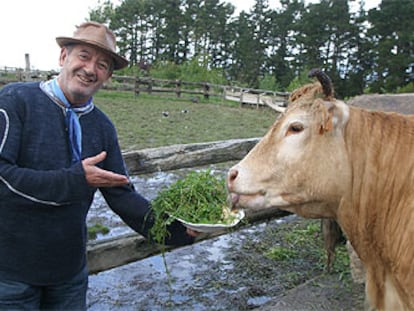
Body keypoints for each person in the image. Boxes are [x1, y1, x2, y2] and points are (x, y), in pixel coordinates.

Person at [0, 21, 197, 310]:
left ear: (108, 77)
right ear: (63, 57)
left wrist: (175, 230)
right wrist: (76, 180)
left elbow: (121, 193)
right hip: (10, 274)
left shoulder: (101, 127)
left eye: (102, 65)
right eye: (83, 56)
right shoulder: (16, 100)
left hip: (69, 275)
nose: (91, 69)